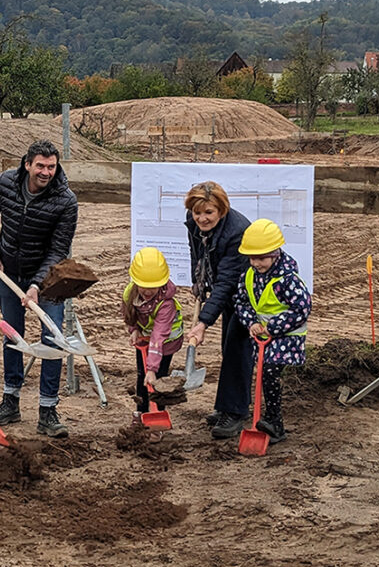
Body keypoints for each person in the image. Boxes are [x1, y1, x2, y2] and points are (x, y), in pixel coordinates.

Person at [0, 139, 78, 438]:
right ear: (27, 164)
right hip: (8, 272)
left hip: (49, 280)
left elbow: (59, 249)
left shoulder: (65, 200)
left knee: (52, 339)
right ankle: (11, 401)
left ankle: (48, 410)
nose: (46, 172)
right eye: (40, 166)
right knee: (12, 335)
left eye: (51, 166)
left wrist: (36, 285)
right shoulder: (6, 183)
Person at [182, 181, 254, 440]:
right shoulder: (193, 223)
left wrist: (202, 323)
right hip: (226, 285)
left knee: (236, 346)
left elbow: (226, 284)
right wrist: (197, 281)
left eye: (208, 213)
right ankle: (228, 405)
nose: (202, 218)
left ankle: (234, 412)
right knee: (229, 346)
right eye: (197, 212)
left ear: (221, 211)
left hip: (248, 292)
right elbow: (197, 252)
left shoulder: (237, 233)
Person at [233, 219, 311, 443]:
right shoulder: (248, 275)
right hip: (262, 336)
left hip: (288, 337)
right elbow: (241, 302)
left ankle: (275, 421)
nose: (256, 263)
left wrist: (272, 327)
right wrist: (251, 323)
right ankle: (268, 418)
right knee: (263, 374)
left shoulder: (287, 280)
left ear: (276, 253)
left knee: (270, 372)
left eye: (262, 258)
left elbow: (302, 308)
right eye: (252, 257)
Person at [122, 248, 185, 419]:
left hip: (166, 342)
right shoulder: (130, 292)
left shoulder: (166, 304)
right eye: (144, 286)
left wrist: (153, 368)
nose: (148, 291)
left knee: (159, 379)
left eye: (153, 287)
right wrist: (134, 330)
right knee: (142, 375)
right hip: (144, 339)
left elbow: (159, 335)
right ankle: (141, 412)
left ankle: (158, 414)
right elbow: (128, 313)